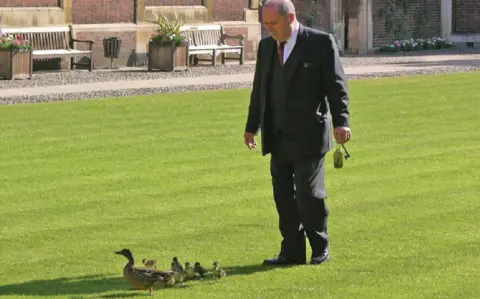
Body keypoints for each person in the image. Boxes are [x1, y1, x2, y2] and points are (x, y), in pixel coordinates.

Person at [244, 0, 351, 266]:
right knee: (283, 196)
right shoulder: (267, 47)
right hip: (277, 135)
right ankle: (291, 251)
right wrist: (251, 126)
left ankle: (319, 246)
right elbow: (260, 89)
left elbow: (336, 86)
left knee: (308, 194)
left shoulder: (320, 43)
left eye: (273, 24)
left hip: (310, 135)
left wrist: (342, 121)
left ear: (290, 17)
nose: (269, 30)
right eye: (266, 25)